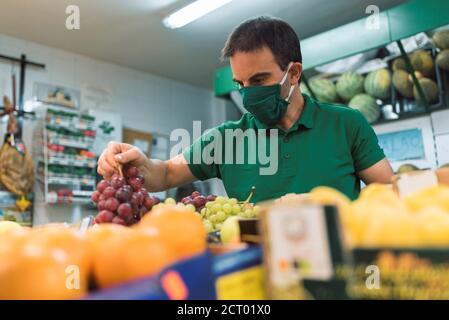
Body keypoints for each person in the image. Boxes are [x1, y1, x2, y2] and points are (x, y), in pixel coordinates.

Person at [98, 16, 393, 202]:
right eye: (241, 83)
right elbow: (165, 175)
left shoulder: (347, 124)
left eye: (259, 79)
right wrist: (137, 163)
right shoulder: (226, 139)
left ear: (293, 73)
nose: (249, 93)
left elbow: (390, 194)